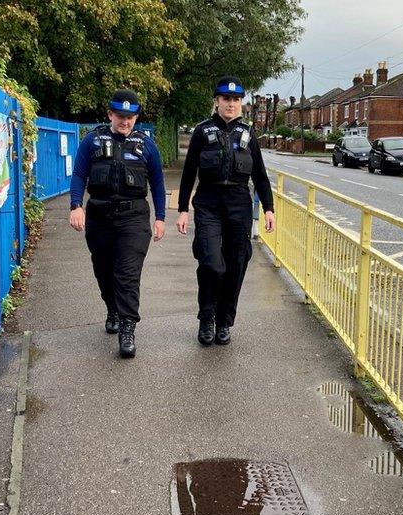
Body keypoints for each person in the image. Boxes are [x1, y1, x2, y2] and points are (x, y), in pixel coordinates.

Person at [176, 76, 275, 346]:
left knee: (236, 264)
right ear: (216, 101)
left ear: (241, 103)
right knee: (210, 263)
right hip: (208, 201)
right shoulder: (202, 131)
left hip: (239, 203)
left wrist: (268, 208)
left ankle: (223, 322)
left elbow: (261, 175)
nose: (231, 104)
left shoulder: (248, 134)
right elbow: (188, 174)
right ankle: (206, 318)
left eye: (235, 99)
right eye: (225, 99)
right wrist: (183, 209)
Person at [69, 89, 166, 358]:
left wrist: (160, 218)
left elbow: (157, 183)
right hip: (99, 216)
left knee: (127, 274)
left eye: (131, 117)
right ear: (110, 114)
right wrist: (76, 205)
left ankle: (127, 327)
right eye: (121, 116)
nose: (125, 122)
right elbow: (79, 175)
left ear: (136, 117)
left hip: (134, 218)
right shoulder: (92, 141)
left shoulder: (146, 146)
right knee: (104, 270)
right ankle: (112, 308)